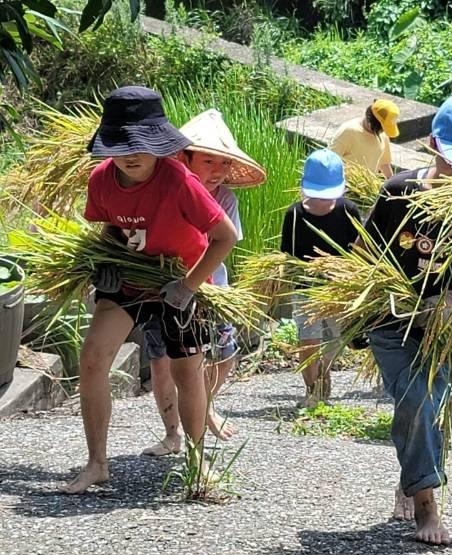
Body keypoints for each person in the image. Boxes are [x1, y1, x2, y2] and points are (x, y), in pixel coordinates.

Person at [64, 86, 239, 494]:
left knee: (186, 372)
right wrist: (105, 262)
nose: (132, 154)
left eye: (142, 145)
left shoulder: (178, 181)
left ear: (160, 144)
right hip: (129, 280)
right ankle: (97, 463)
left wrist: (188, 285)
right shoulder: (102, 180)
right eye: (123, 145)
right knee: (91, 359)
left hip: (180, 279)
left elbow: (224, 237)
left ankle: (198, 460)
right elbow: (110, 226)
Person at [364, 94, 452, 545]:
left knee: (425, 407)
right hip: (392, 322)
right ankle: (427, 506)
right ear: (432, 146)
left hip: (448, 331)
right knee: (417, 397)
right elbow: (366, 260)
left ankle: (412, 477)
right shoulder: (397, 194)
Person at [140, 108, 266, 456]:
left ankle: (204, 404)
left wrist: (193, 286)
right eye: (209, 161)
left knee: (225, 354)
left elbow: (220, 245)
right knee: (162, 359)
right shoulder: (162, 192)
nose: (218, 171)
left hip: (211, 290)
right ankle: (171, 434)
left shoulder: (226, 198)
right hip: (161, 288)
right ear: (184, 157)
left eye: (224, 164)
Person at [281, 149, 361, 408]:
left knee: (337, 338)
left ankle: (323, 374)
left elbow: (359, 249)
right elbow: (287, 255)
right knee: (309, 338)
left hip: (339, 287)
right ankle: (311, 392)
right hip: (306, 288)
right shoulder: (294, 214)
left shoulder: (349, 210)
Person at [329, 99, 400, 178]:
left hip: (368, 184)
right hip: (346, 185)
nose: (382, 131)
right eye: (381, 129)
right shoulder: (349, 131)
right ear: (371, 122)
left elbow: (384, 163)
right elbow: (330, 161)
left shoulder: (382, 134)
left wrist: (392, 182)